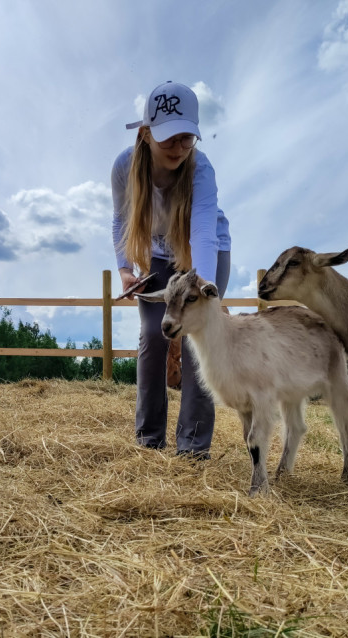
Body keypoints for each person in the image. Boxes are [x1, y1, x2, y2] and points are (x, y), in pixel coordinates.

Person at [111, 81, 232, 459]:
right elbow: (120, 220)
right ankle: (149, 441)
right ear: (146, 133)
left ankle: (193, 449)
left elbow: (203, 235)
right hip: (156, 257)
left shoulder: (201, 170)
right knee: (153, 334)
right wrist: (125, 270)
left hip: (205, 252)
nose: (179, 148)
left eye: (187, 138)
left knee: (198, 336)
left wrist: (204, 289)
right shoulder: (124, 168)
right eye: (169, 138)